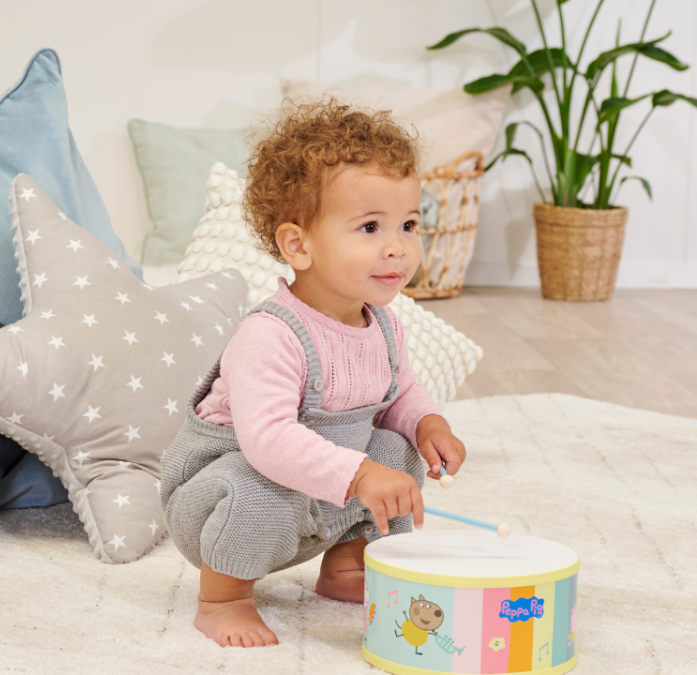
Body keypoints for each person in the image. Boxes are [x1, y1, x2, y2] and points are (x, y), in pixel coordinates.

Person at [159, 99, 467, 648]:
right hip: (222, 503)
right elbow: (269, 442)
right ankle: (223, 599)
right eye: (370, 227)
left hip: (316, 499)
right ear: (298, 245)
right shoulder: (270, 335)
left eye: (408, 225)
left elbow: (400, 392)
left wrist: (428, 424)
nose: (397, 247)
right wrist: (360, 476)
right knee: (260, 484)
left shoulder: (383, 324)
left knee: (396, 451)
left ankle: (347, 564)